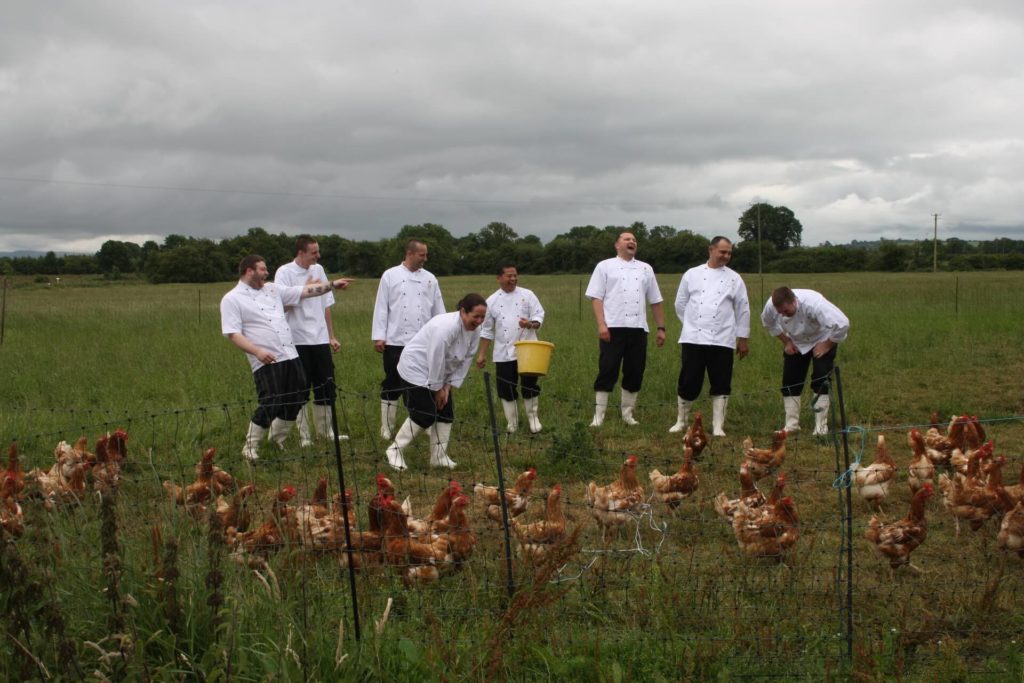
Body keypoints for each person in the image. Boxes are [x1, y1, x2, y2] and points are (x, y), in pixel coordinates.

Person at [221, 255, 351, 460]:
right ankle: (250, 446)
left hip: (290, 354)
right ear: (249, 271)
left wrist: (332, 284)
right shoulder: (232, 298)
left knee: (296, 398)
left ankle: (277, 440)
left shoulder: (272, 289)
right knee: (271, 401)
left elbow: (305, 291)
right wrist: (257, 351)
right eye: (262, 269)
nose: (266, 273)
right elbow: (232, 333)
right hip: (266, 358)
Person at [384, 293, 487, 471]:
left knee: (445, 412)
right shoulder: (444, 327)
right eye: (475, 316)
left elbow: (466, 360)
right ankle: (394, 450)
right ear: (463, 311)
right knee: (425, 414)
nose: (479, 321)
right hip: (415, 369)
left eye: (482, 317)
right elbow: (435, 359)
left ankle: (438, 457)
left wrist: (448, 386)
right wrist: (437, 388)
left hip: (440, 373)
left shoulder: (475, 331)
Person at [671, 236, 750, 437]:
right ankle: (681, 421)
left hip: (722, 339)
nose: (726, 256)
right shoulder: (692, 274)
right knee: (688, 381)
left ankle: (718, 426)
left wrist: (743, 338)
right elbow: (680, 303)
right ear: (711, 250)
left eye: (729, 253)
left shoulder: (735, 278)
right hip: (693, 339)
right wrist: (691, 324)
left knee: (721, 382)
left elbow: (743, 309)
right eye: (722, 252)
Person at [585, 231, 666, 427]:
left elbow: (655, 300)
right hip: (613, 327)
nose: (632, 242)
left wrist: (661, 328)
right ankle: (599, 416)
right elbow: (596, 297)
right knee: (607, 369)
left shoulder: (646, 269)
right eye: (627, 239)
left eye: (634, 240)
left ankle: (627, 414)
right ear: (617, 245)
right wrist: (601, 324)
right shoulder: (604, 266)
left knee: (635, 371)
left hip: (638, 328)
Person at [274, 235, 347, 446]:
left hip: (320, 339)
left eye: (318, 251)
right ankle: (304, 436)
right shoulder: (284, 272)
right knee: (301, 387)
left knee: (326, 386)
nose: (318, 255)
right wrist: (304, 290)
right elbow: (279, 306)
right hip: (297, 339)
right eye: (314, 252)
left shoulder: (319, 269)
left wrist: (331, 335)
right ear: (301, 252)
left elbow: (325, 305)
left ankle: (326, 432)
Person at [371, 239, 445, 440]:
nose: (425, 259)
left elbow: (438, 310)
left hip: (423, 343)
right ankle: (386, 427)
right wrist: (379, 336)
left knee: (426, 384)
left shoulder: (430, 279)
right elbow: (381, 306)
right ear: (409, 253)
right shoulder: (390, 275)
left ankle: (426, 422)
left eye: (426, 255)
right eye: (422, 255)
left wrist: (442, 334)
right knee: (392, 383)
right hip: (395, 341)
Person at [760, 286, 850, 435]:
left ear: (794, 302)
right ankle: (791, 425)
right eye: (780, 313)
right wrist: (786, 342)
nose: (783, 315)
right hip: (796, 341)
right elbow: (768, 323)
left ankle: (821, 427)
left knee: (821, 378)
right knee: (790, 380)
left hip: (822, 337)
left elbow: (842, 323)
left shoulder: (814, 304)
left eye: (786, 311)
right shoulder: (771, 306)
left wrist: (827, 344)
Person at [475, 262, 546, 433]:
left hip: (528, 348)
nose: (513, 278)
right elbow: (486, 331)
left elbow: (539, 314)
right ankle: (512, 422)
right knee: (505, 387)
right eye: (509, 275)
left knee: (529, 384)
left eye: (515, 275)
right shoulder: (491, 301)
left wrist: (531, 323)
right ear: (499, 278)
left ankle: (533, 418)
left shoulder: (528, 295)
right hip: (503, 353)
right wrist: (482, 354)